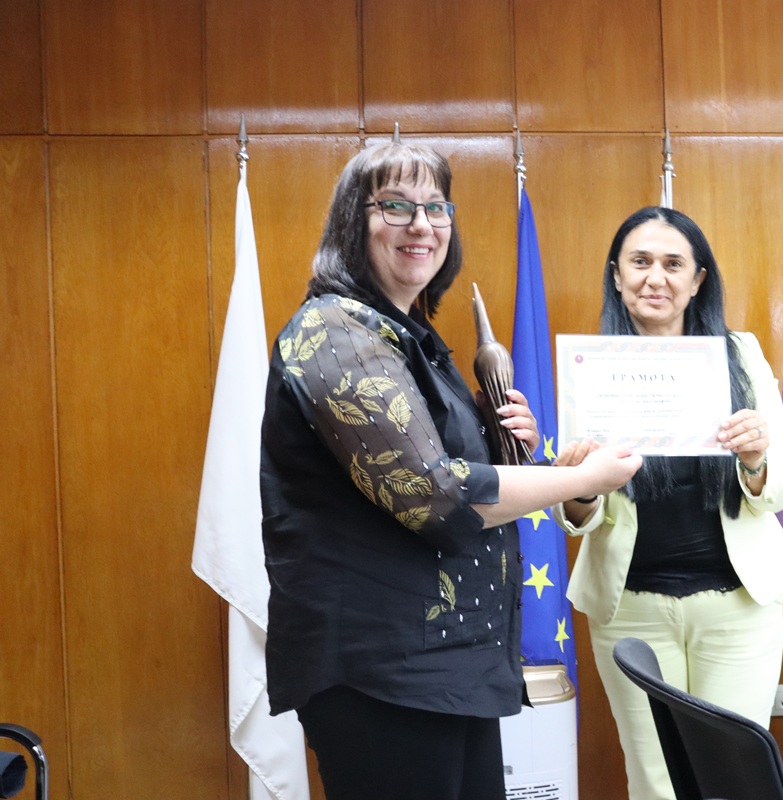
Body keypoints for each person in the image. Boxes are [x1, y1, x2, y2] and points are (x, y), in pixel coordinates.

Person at [259, 142, 642, 800]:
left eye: (436, 207)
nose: (422, 224)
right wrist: (584, 481)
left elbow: (463, 476)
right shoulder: (333, 332)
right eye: (396, 206)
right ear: (353, 222)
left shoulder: (414, 341)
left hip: (450, 665)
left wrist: (523, 452)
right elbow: (433, 495)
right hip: (382, 673)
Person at [552, 207, 783, 800]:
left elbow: (780, 492)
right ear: (616, 275)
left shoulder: (741, 355)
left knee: (732, 781)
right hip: (631, 612)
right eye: (639, 262)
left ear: (697, 280)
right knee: (656, 783)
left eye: (673, 264)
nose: (655, 278)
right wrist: (579, 484)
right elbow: (578, 517)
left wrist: (755, 458)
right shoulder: (593, 365)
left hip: (739, 608)